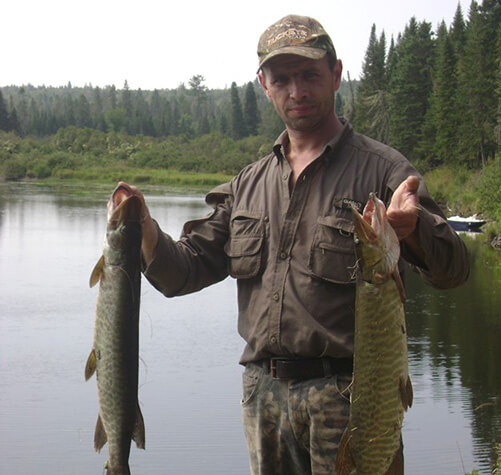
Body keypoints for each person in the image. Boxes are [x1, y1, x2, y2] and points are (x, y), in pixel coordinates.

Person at [125, 14, 469, 475]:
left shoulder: (384, 170)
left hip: (352, 398)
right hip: (262, 397)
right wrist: (145, 229)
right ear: (264, 85)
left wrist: (416, 228)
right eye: (282, 78)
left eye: (309, 75)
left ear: (337, 75)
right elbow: (183, 271)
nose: (297, 91)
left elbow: (455, 269)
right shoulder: (248, 183)